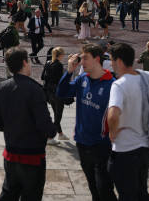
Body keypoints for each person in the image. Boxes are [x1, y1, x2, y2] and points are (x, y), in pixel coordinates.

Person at [105, 42, 149, 200]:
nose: (110, 64)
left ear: (118, 62)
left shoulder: (119, 85)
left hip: (125, 150)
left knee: (128, 194)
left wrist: (112, 132)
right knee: (141, 190)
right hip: (146, 148)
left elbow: (112, 115)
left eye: (111, 60)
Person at [0, 47, 57, 200]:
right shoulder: (35, 89)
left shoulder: (1, 87)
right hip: (32, 155)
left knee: (9, 192)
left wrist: (11, 128)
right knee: (31, 195)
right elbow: (45, 124)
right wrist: (52, 131)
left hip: (11, 152)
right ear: (25, 62)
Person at [56, 43, 117, 201]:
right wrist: (69, 71)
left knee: (104, 189)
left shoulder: (112, 84)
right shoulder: (82, 78)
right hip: (82, 143)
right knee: (93, 187)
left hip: (102, 146)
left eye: (85, 58)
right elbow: (61, 93)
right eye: (80, 58)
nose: (81, 62)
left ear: (97, 59)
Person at [41, 47, 70, 145]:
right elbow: (60, 81)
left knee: (56, 114)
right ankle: (50, 137)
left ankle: (60, 134)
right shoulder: (59, 65)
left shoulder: (48, 63)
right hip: (57, 93)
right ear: (60, 55)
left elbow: (42, 77)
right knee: (58, 117)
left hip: (49, 92)